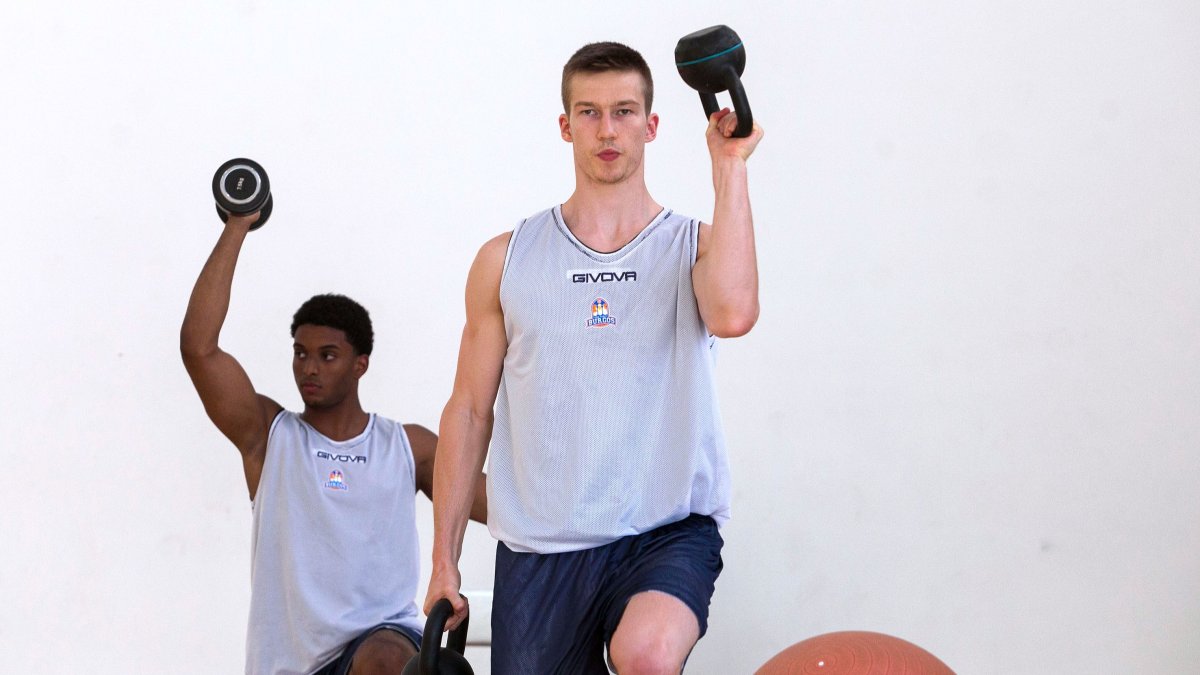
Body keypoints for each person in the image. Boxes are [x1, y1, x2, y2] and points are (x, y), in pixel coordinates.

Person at [425, 40, 763, 674]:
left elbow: (734, 314)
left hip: (665, 530)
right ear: (565, 125)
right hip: (541, 549)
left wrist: (731, 166)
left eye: (625, 111)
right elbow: (469, 411)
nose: (608, 129)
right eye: (589, 112)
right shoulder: (507, 259)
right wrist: (445, 559)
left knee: (646, 655)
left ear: (652, 125)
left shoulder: (694, 248)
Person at [180, 210, 487, 675]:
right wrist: (237, 224)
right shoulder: (269, 437)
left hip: (384, 646)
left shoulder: (407, 448)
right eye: (301, 354)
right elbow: (198, 348)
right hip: (292, 664)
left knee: (386, 658)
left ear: (360, 364)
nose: (309, 368)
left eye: (327, 356)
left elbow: (506, 509)